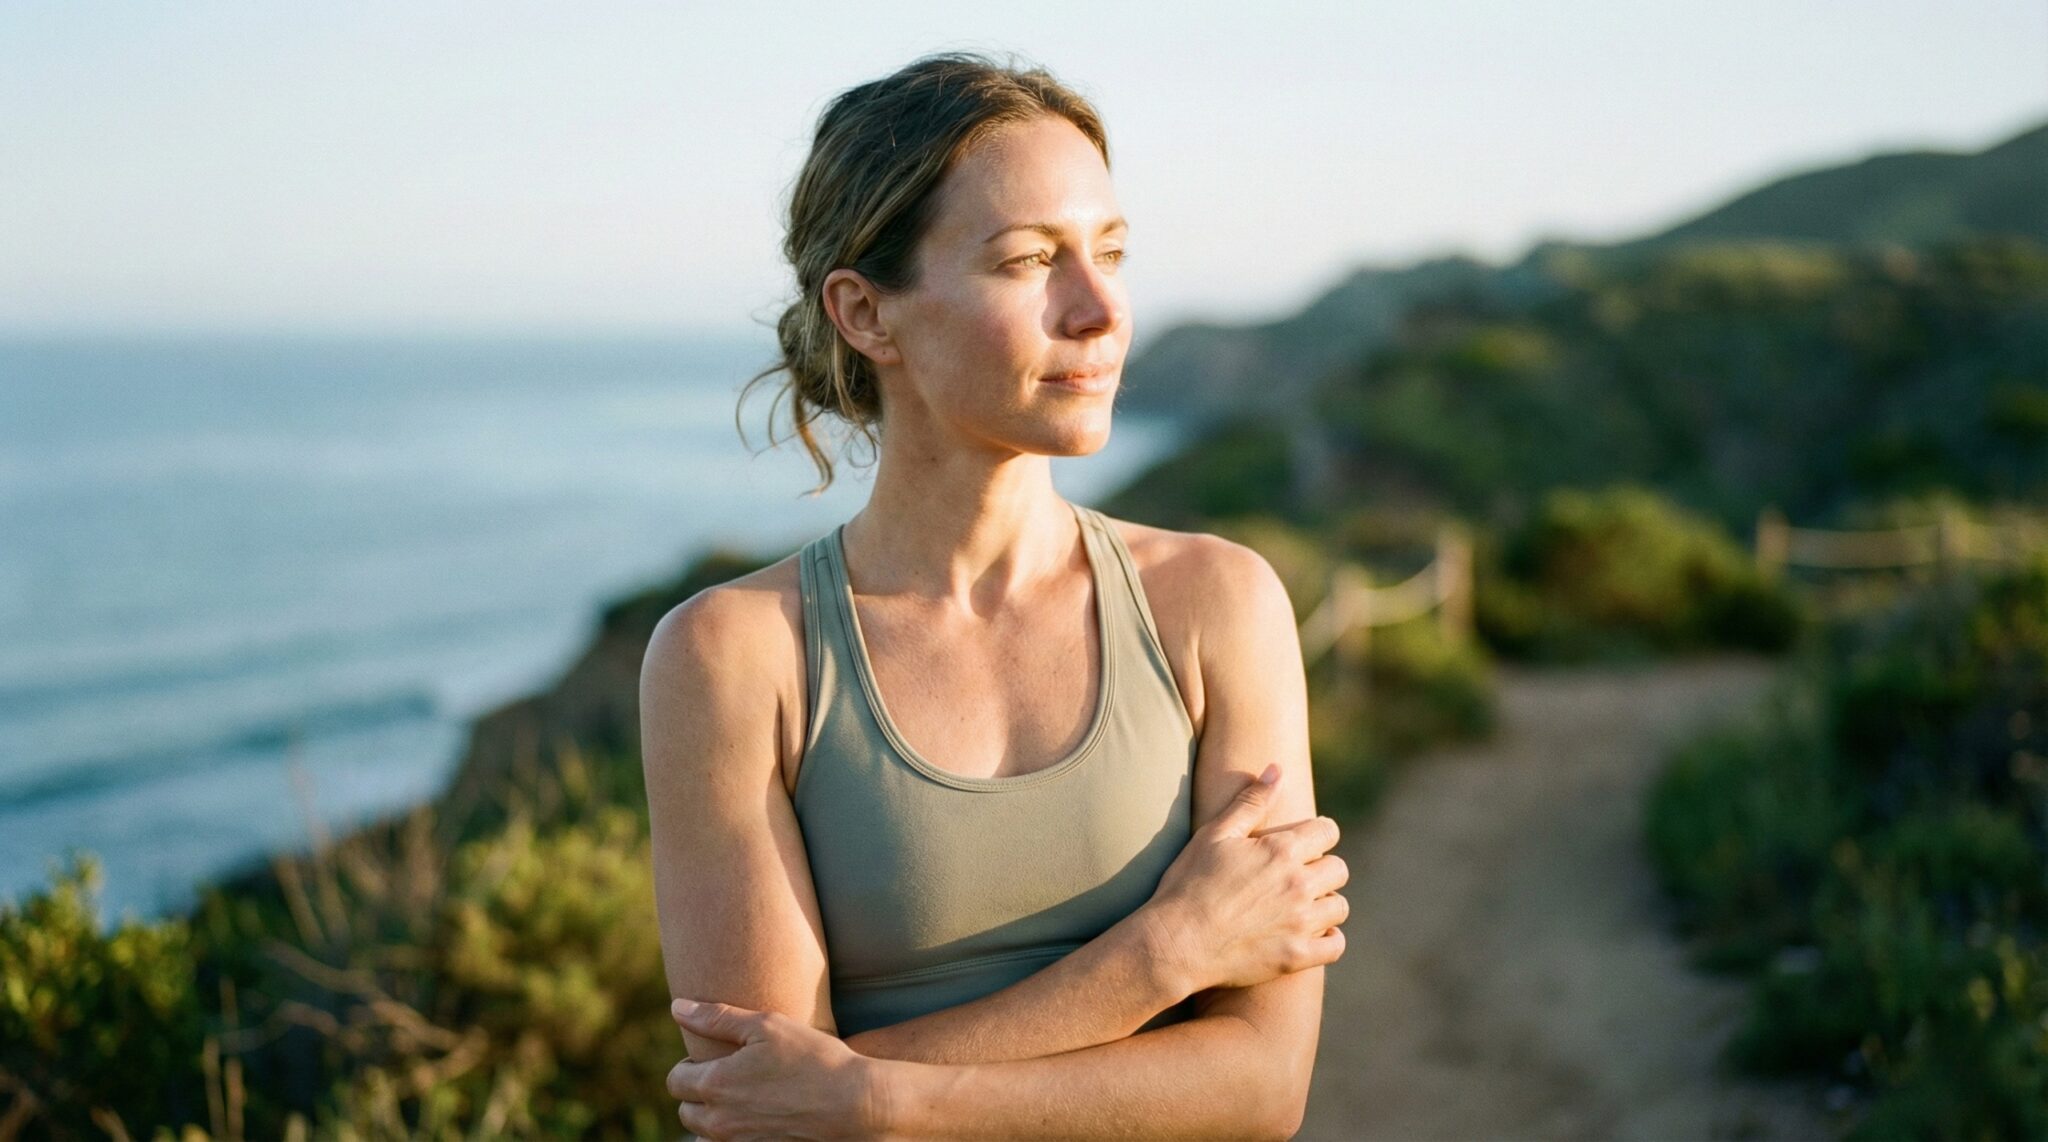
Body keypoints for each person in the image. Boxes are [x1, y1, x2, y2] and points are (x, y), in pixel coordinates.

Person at [639, 50, 1350, 1140]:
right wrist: (1157, 958)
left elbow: (1262, 1088)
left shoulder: (1215, 605)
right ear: (867, 314)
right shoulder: (735, 658)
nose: (1100, 309)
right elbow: (759, 1112)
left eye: (1109, 253)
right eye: (1029, 262)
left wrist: (868, 1096)